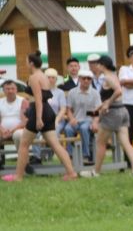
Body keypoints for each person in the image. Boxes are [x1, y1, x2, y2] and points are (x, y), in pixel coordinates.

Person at [2, 52, 78, 182]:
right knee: (55, 145)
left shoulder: (34, 77)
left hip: (39, 111)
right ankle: (71, 173)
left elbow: (38, 99)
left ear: (31, 63)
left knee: (24, 144)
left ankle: (18, 176)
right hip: (47, 111)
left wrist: (38, 118)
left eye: (26, 61)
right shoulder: (43, 76)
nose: (26, 63)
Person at [85, 56, 133, 177]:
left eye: (98, 64)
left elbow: (118, 91)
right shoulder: (114, 75)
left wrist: (108, 104)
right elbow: (113, 95)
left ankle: (96, 171)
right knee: (126, 143)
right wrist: (100, 106)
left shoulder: (107, 77)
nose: (96, 66)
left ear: (102, 65)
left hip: (112, 114)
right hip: (122, 110)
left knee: (100, 143)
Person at [62, 69, 101, 165]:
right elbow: (69, 109)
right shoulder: (72, 92)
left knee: (84, 128)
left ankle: (85, 156)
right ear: (79, 79)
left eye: (89, 79)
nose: (86, 80)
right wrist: (71, 119)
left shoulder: (95, 93)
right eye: (84, 78)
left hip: (88, 119)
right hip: (75, 119)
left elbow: (97, 111)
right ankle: (69, 156)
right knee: (68, 129)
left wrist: (95, 122)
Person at [0, 78, 27, 169]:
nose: (10, 91)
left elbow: (25, 122)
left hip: (19, 129)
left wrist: (11, 131)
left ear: (16, 90)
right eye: (7, 89)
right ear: (3, 90)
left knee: (18, 135)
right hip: (3, 131)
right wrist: (3, 130)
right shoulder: (0, 102)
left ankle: (23, 163)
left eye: (12, 88)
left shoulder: (23, 101)